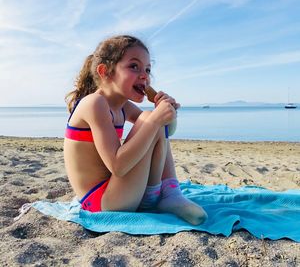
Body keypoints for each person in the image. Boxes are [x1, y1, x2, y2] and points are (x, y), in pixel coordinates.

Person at [64, 35, 207, 225]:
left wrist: (167, 113)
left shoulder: (122, 106)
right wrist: (155, 119)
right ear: (105, 72)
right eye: (134, 66)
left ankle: (171, 193)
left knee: (149, 118)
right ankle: (156, 197)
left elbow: (166, 132)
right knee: (149, 119)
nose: (145, 75)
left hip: (119, 191)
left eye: (147, 69)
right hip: (102, 201)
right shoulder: (94, 103)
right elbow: (117, 166)